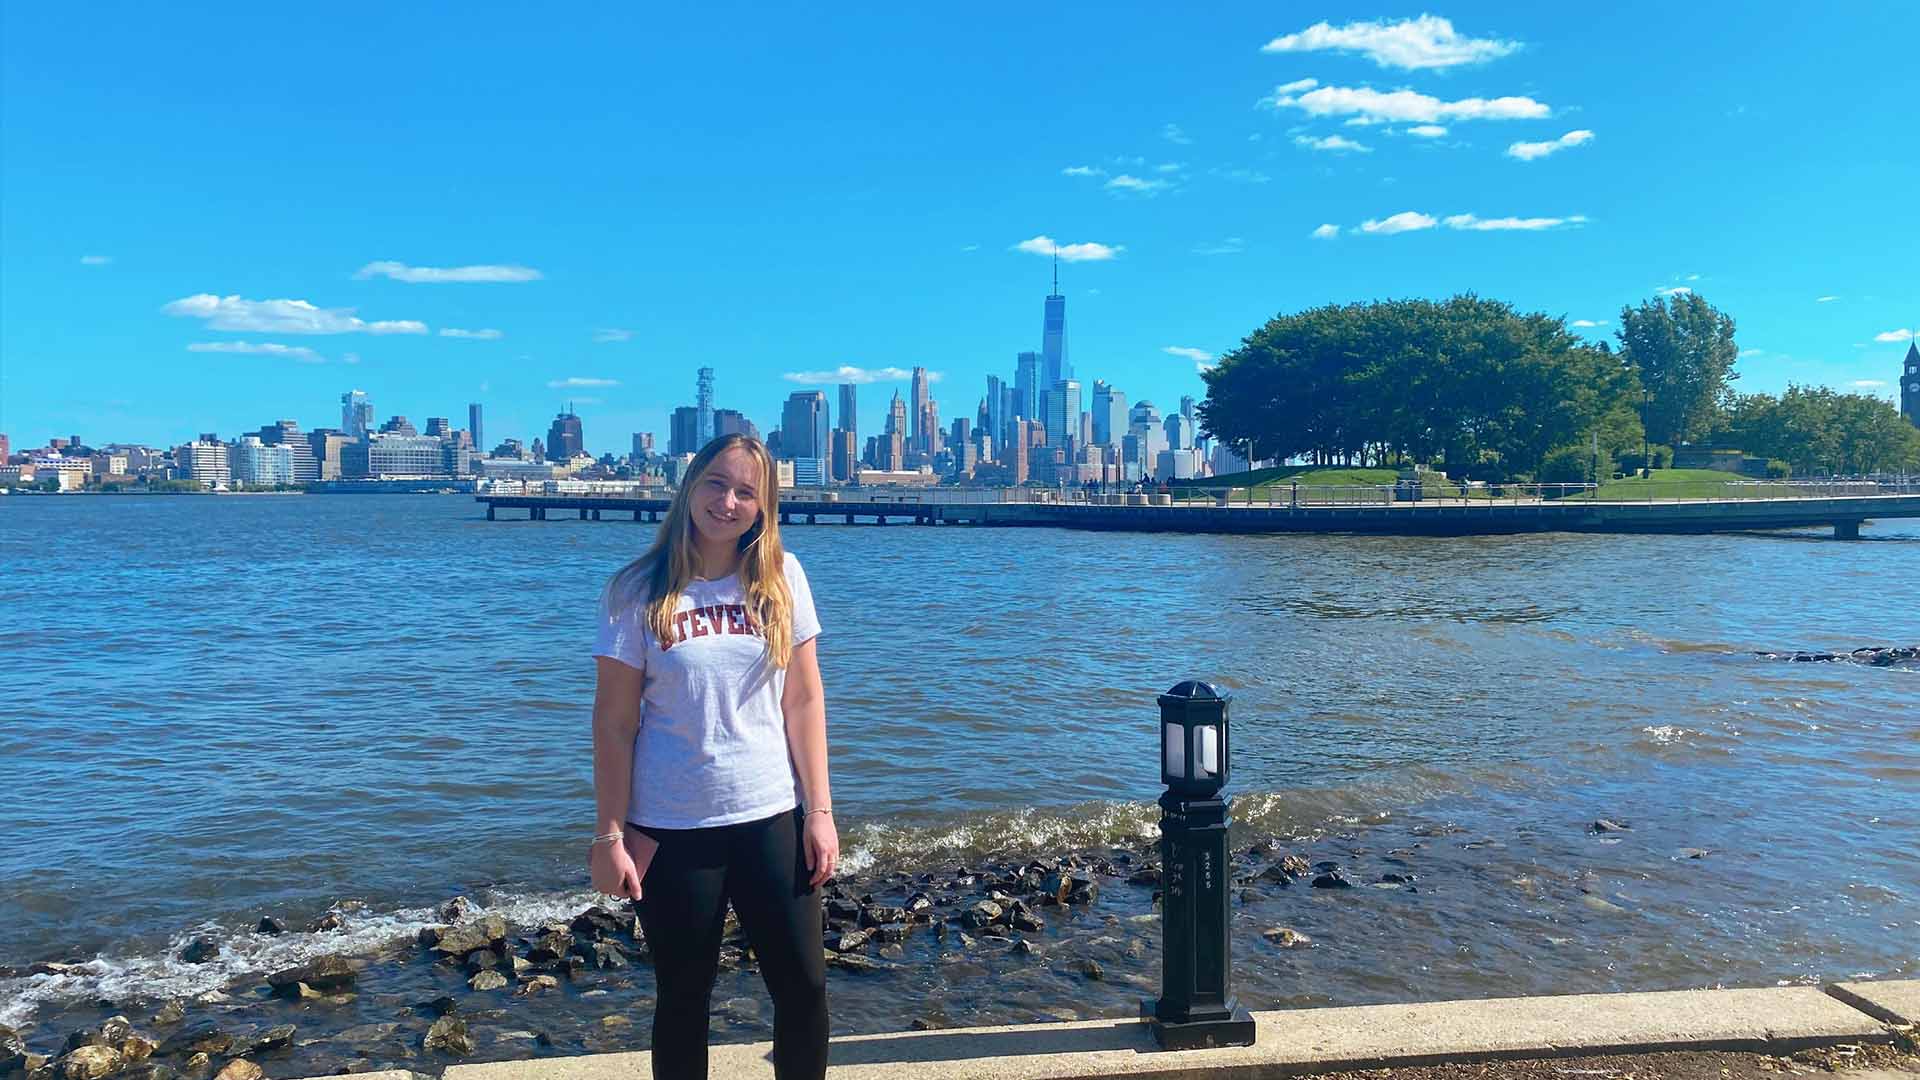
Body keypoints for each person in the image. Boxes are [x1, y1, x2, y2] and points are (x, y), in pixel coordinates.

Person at [588, 434, 835, 1080]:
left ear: (764, 505)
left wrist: (821, 813)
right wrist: (609, 833)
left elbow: (804, 701)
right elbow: (614, 724)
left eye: (745, 492)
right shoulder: (636, 591)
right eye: (715, 484)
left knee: (805, 988)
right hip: (671, 829)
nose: (727, 502)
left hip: (769, 816)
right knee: (685, 998)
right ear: (690, 486)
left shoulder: (782, 578)